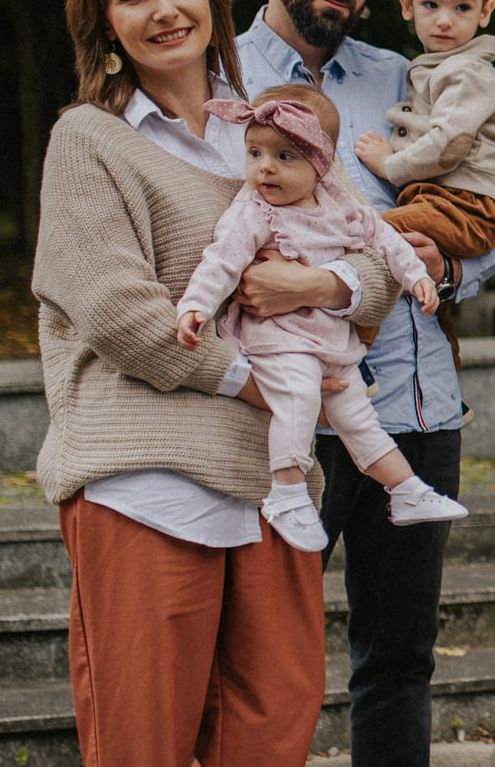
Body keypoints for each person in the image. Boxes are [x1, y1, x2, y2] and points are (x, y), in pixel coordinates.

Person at [36, 0, 399, 767]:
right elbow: (118, 308)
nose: (164, 8)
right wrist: (256, 369)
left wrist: (328, 295)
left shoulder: (271, 128)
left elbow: (369, 265)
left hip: (270, 479)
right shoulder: (91, 142)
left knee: (273, 717)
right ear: (105, 20)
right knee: (140, 746)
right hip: (144, 474)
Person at [237, 0, 495, 767]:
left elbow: (479, 243)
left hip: (414, 405)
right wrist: (366, 265)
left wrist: (423, 252)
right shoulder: (216, 82)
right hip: (282, 420)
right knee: (258, 663)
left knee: (397, 659)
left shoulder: (412, 78)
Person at [174, 87, 468, 552]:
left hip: (332, 342)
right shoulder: (253, 211)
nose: (264, 167)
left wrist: (417, 279)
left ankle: (405, 491)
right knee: (297, 402)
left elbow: (388, 242)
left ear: (321, 163)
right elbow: (221, 262)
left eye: (284, 155)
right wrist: (195, 305)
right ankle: (287, 494)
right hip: (279, 340)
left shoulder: (338, 203)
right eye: (255, 153)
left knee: (360, 420)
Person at [353, 0, 495, 369]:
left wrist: (390, 165)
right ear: (407, 5)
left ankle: (353, 353)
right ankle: (448, 356)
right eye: (431, 5)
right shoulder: (433, 66)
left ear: (485, 12)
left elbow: (449, 146)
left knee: (374, 235)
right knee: (421, 282)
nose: (445, 20)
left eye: (462, 7)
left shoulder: (467, 72)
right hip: (447, 200)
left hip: (468, 205)